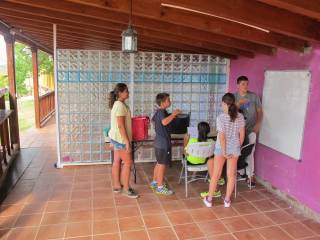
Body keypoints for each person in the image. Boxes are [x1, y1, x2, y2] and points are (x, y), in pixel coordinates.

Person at [203, 93, 245, 208]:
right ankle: (227, 201)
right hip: (234, 149)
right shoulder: (240, 116)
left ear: (224, 103)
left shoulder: (221, 117)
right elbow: (242, 134)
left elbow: (221, 136)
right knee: (231, 175)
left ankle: (209, 200)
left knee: (216, 174)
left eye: (222, 103)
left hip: (221, 149)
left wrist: (224, 151)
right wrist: (238, 147)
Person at [108, 83, 138, 198]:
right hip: (120, 139)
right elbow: (120, 125)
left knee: (116, 161)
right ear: (120, 93)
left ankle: (117, 186)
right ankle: (126, 188)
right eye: (126, 91)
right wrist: (127, 142)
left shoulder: (118, 104)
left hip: (116, 138)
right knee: (127, 163)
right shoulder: (120, 105)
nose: (128, 93)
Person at [234, 76, 263, 187]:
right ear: (238, 85)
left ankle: (250, 175)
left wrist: (258, 123)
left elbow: (260, 112)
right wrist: (238, 104)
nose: (245, 86)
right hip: (236, 131)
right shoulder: (233, 97)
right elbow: (230, 113)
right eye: (243, 84)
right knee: (237, 151)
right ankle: (240, 172)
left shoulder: (254, 96)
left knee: (249, 152)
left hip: (250, 129)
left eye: (247, 83)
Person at [183, 122, 225, 198]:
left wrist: (185, 140)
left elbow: (185, 153)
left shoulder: (192, 141)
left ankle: (194, 176)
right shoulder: (211, 142)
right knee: (209, 157)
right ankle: (195, 175)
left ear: (197, 131)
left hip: (191, 162)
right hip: (204, 162)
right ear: (208, 131)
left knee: (190, 155)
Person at [150, 93, 181, 195]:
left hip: (159, 142)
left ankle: (154, 183)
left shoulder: (159, 112)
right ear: (162, 103)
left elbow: (154, 120)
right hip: (163, 143)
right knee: (162, 165)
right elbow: (164, 122)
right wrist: (173, 115)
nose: (170, 101)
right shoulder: (162, 112)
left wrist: (171, 115)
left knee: (159, 163)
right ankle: (160, 187)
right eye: (168, 100)